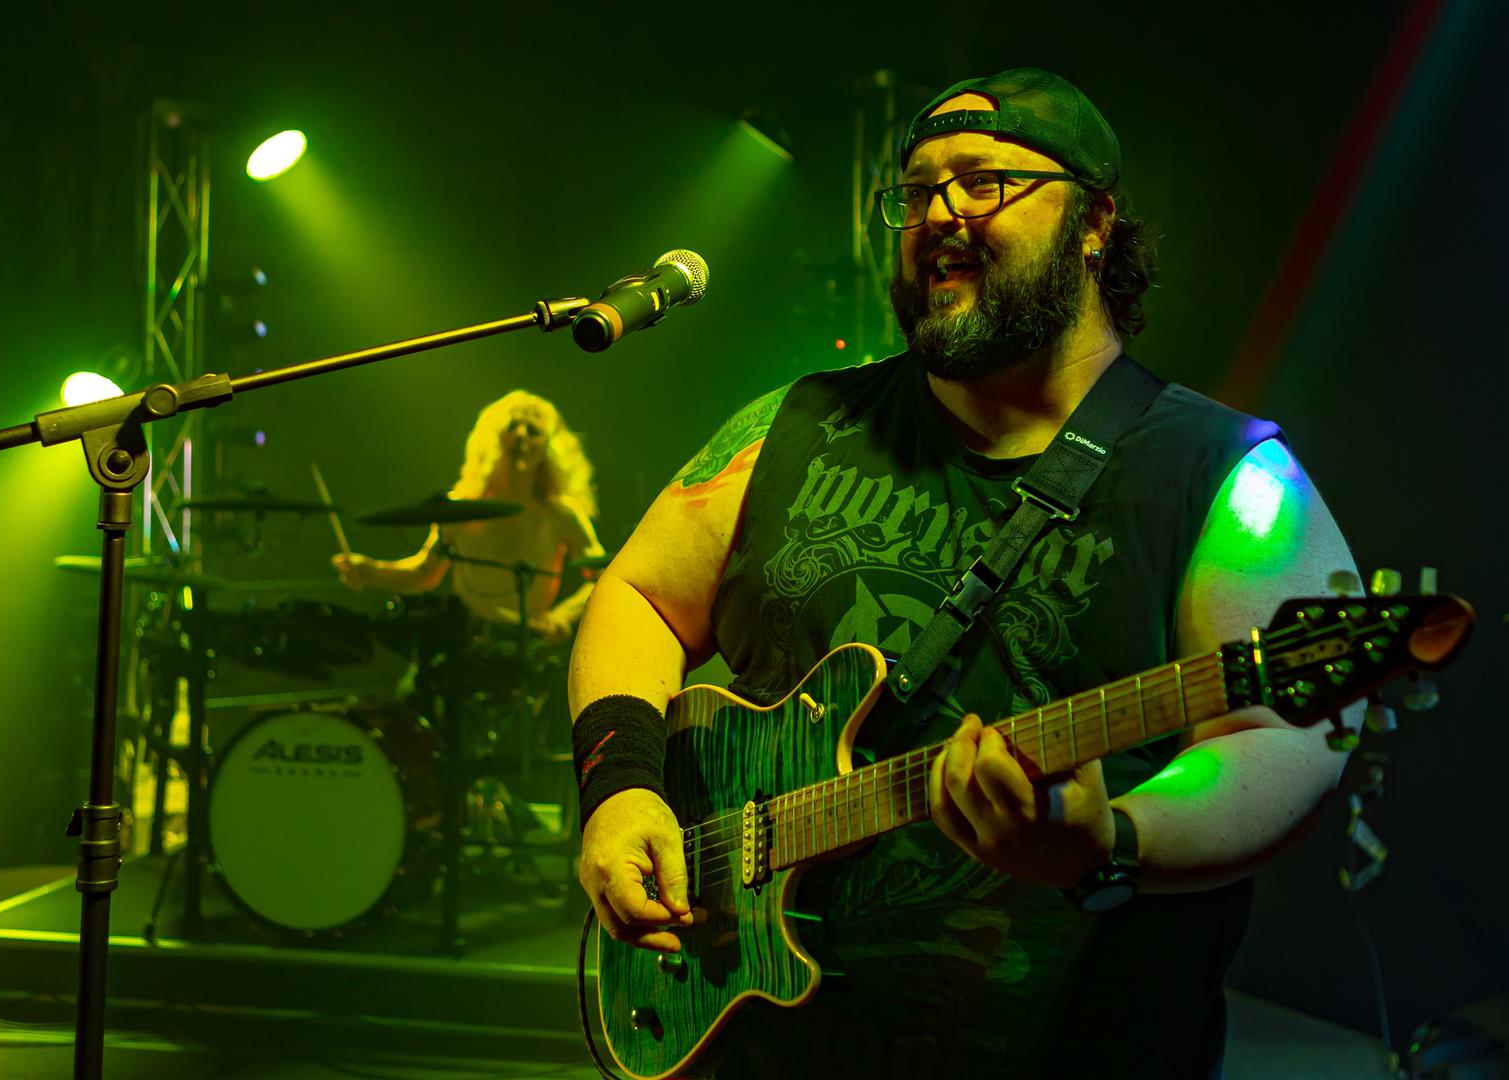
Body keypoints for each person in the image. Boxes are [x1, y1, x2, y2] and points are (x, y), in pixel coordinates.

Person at [568, 68, 1363, 1078]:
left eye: (984, 181)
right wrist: (621, 791)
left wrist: (1112, 839)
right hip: (754, 1041)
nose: (940, 213)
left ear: (1094, 223)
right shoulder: (794, 423)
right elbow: (637, 597)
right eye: (915, 192)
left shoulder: (1228, 476)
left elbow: (1278, 735)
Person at [333, 389, 604, 643]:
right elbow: (424, 574)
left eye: (533, 431)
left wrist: (562, 615)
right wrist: (371, 570)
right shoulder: (460, 509)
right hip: (464, 637)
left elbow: (603, 578)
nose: (521, 435)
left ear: (548, 449)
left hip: (530, 641)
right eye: (512, 426)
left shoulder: (562, 514)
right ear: (493, 439)